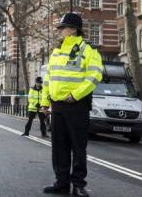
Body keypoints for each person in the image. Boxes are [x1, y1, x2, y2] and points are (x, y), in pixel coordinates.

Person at [41, 13, 103, 197]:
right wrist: (45, 102)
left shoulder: (88, 50)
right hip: (57, 106)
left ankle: (78, 185)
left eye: (63, 28)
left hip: (77, 105)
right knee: (59, 147)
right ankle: (61, 183)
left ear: (74, 29)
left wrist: (75, 95)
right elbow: (48, 79)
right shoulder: (56, 52)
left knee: (77, 147)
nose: (59, 31)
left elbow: (94, 77)